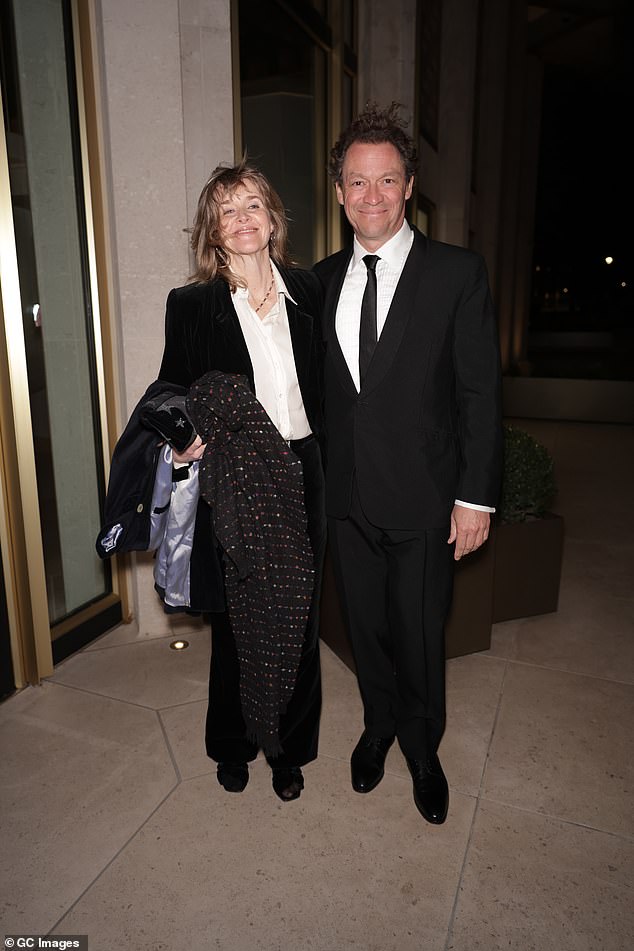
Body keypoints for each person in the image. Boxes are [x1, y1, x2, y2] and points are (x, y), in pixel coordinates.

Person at [313, 103, 502, 824]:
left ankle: (423, 748)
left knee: (420, 632)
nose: (372, 196)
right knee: (365, 630)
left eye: (386, 180)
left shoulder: (457, 274)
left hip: (426, 499)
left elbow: (480, 393)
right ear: (339, 191)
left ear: (410, 185)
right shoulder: (320, 281)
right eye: (357, 182)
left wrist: (475, 498)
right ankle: (378, 725)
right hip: (347, 500)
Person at [158, 159, 326, 802]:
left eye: (252, 204)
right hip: (238, 477)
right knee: (238, 619)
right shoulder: (193, 304)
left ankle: (288, 749)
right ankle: (234, 743)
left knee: (298, 617)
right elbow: (172, 390)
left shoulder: (307, 290)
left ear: (272, 217)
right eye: (228, 210)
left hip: (304, 468)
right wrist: (182, 440)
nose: (242, 218)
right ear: (213, 230)